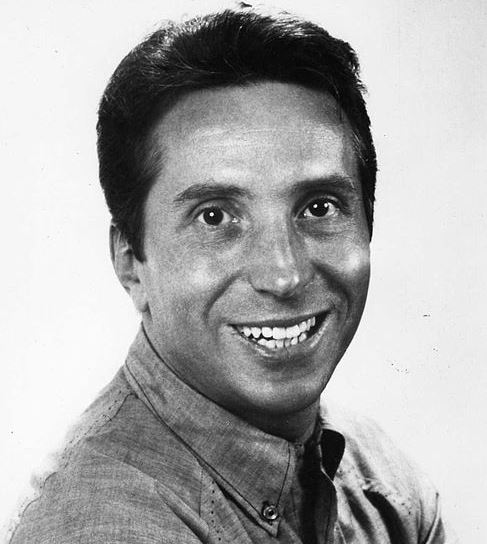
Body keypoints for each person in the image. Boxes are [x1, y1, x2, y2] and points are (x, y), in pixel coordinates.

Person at [8, 6, 454, 543]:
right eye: (215, 216)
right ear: (130, 261)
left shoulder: (386, 487)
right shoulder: (101, 527)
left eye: (318, 207)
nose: (284, 274)